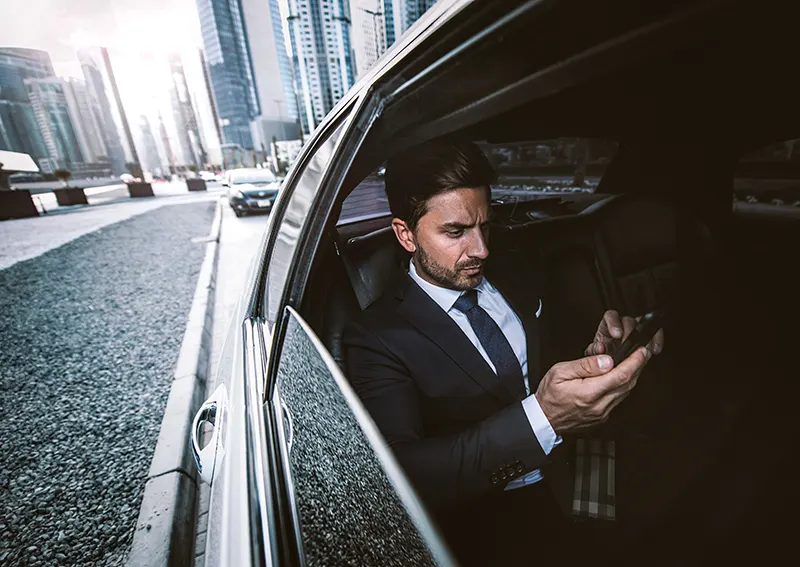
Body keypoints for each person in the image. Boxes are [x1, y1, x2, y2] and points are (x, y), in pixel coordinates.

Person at [343, 139, 664, 566]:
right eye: (455, 232)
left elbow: (542, 363)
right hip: (490, 520)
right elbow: (404, 472)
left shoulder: (515, 270)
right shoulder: (377, 336)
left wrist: (595, 351)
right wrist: (543, 418)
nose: (481, 249)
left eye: (485, 226)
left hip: (579, 473)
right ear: (406, 234)